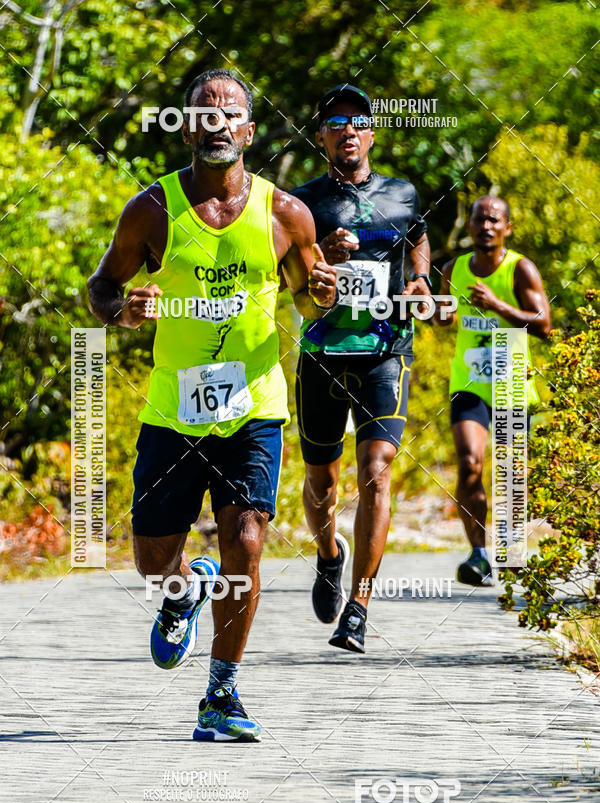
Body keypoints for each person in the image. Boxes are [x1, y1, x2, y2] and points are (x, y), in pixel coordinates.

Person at [88, 68, 337, 741]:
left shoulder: (287, 214)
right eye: (204, 111)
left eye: (231, 112)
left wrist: (323, 292)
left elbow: (309, 302)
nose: (217, 121)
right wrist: (124, 311)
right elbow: (101, 286)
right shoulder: (152, 210)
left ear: (250, 131)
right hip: (173, 411)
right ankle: (183, 593)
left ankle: (220, 695)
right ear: (188, 126)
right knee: (151, 559)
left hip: (254, 407)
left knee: (247, 542)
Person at [291, 84, 432, 653]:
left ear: (372, 132)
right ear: (320, 135)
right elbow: (287, 274)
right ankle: (329, 554)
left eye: (358, 120)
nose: (348, 129)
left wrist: (421, 280)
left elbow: (418, 236)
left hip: (386, 351)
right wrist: (322, 251)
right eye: (335, 122)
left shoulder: (401, 194)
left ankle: (359, 605)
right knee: (321, 478)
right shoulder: (299, 203)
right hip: (323, 354)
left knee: (377, 467)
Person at [435, 195, 551, 585]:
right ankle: (478, 554)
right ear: (469, 225)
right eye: (479, 219)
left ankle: (512, 550)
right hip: (468, 380)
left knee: (510, 475)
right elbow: (442, 318)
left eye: (494, 221)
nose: (486, 226)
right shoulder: (453, 268)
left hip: (512, 381)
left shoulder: (521, 269)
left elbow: (543, 324)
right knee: (470, 464)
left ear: (507, 228)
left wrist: (498, 305)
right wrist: (437, 311)